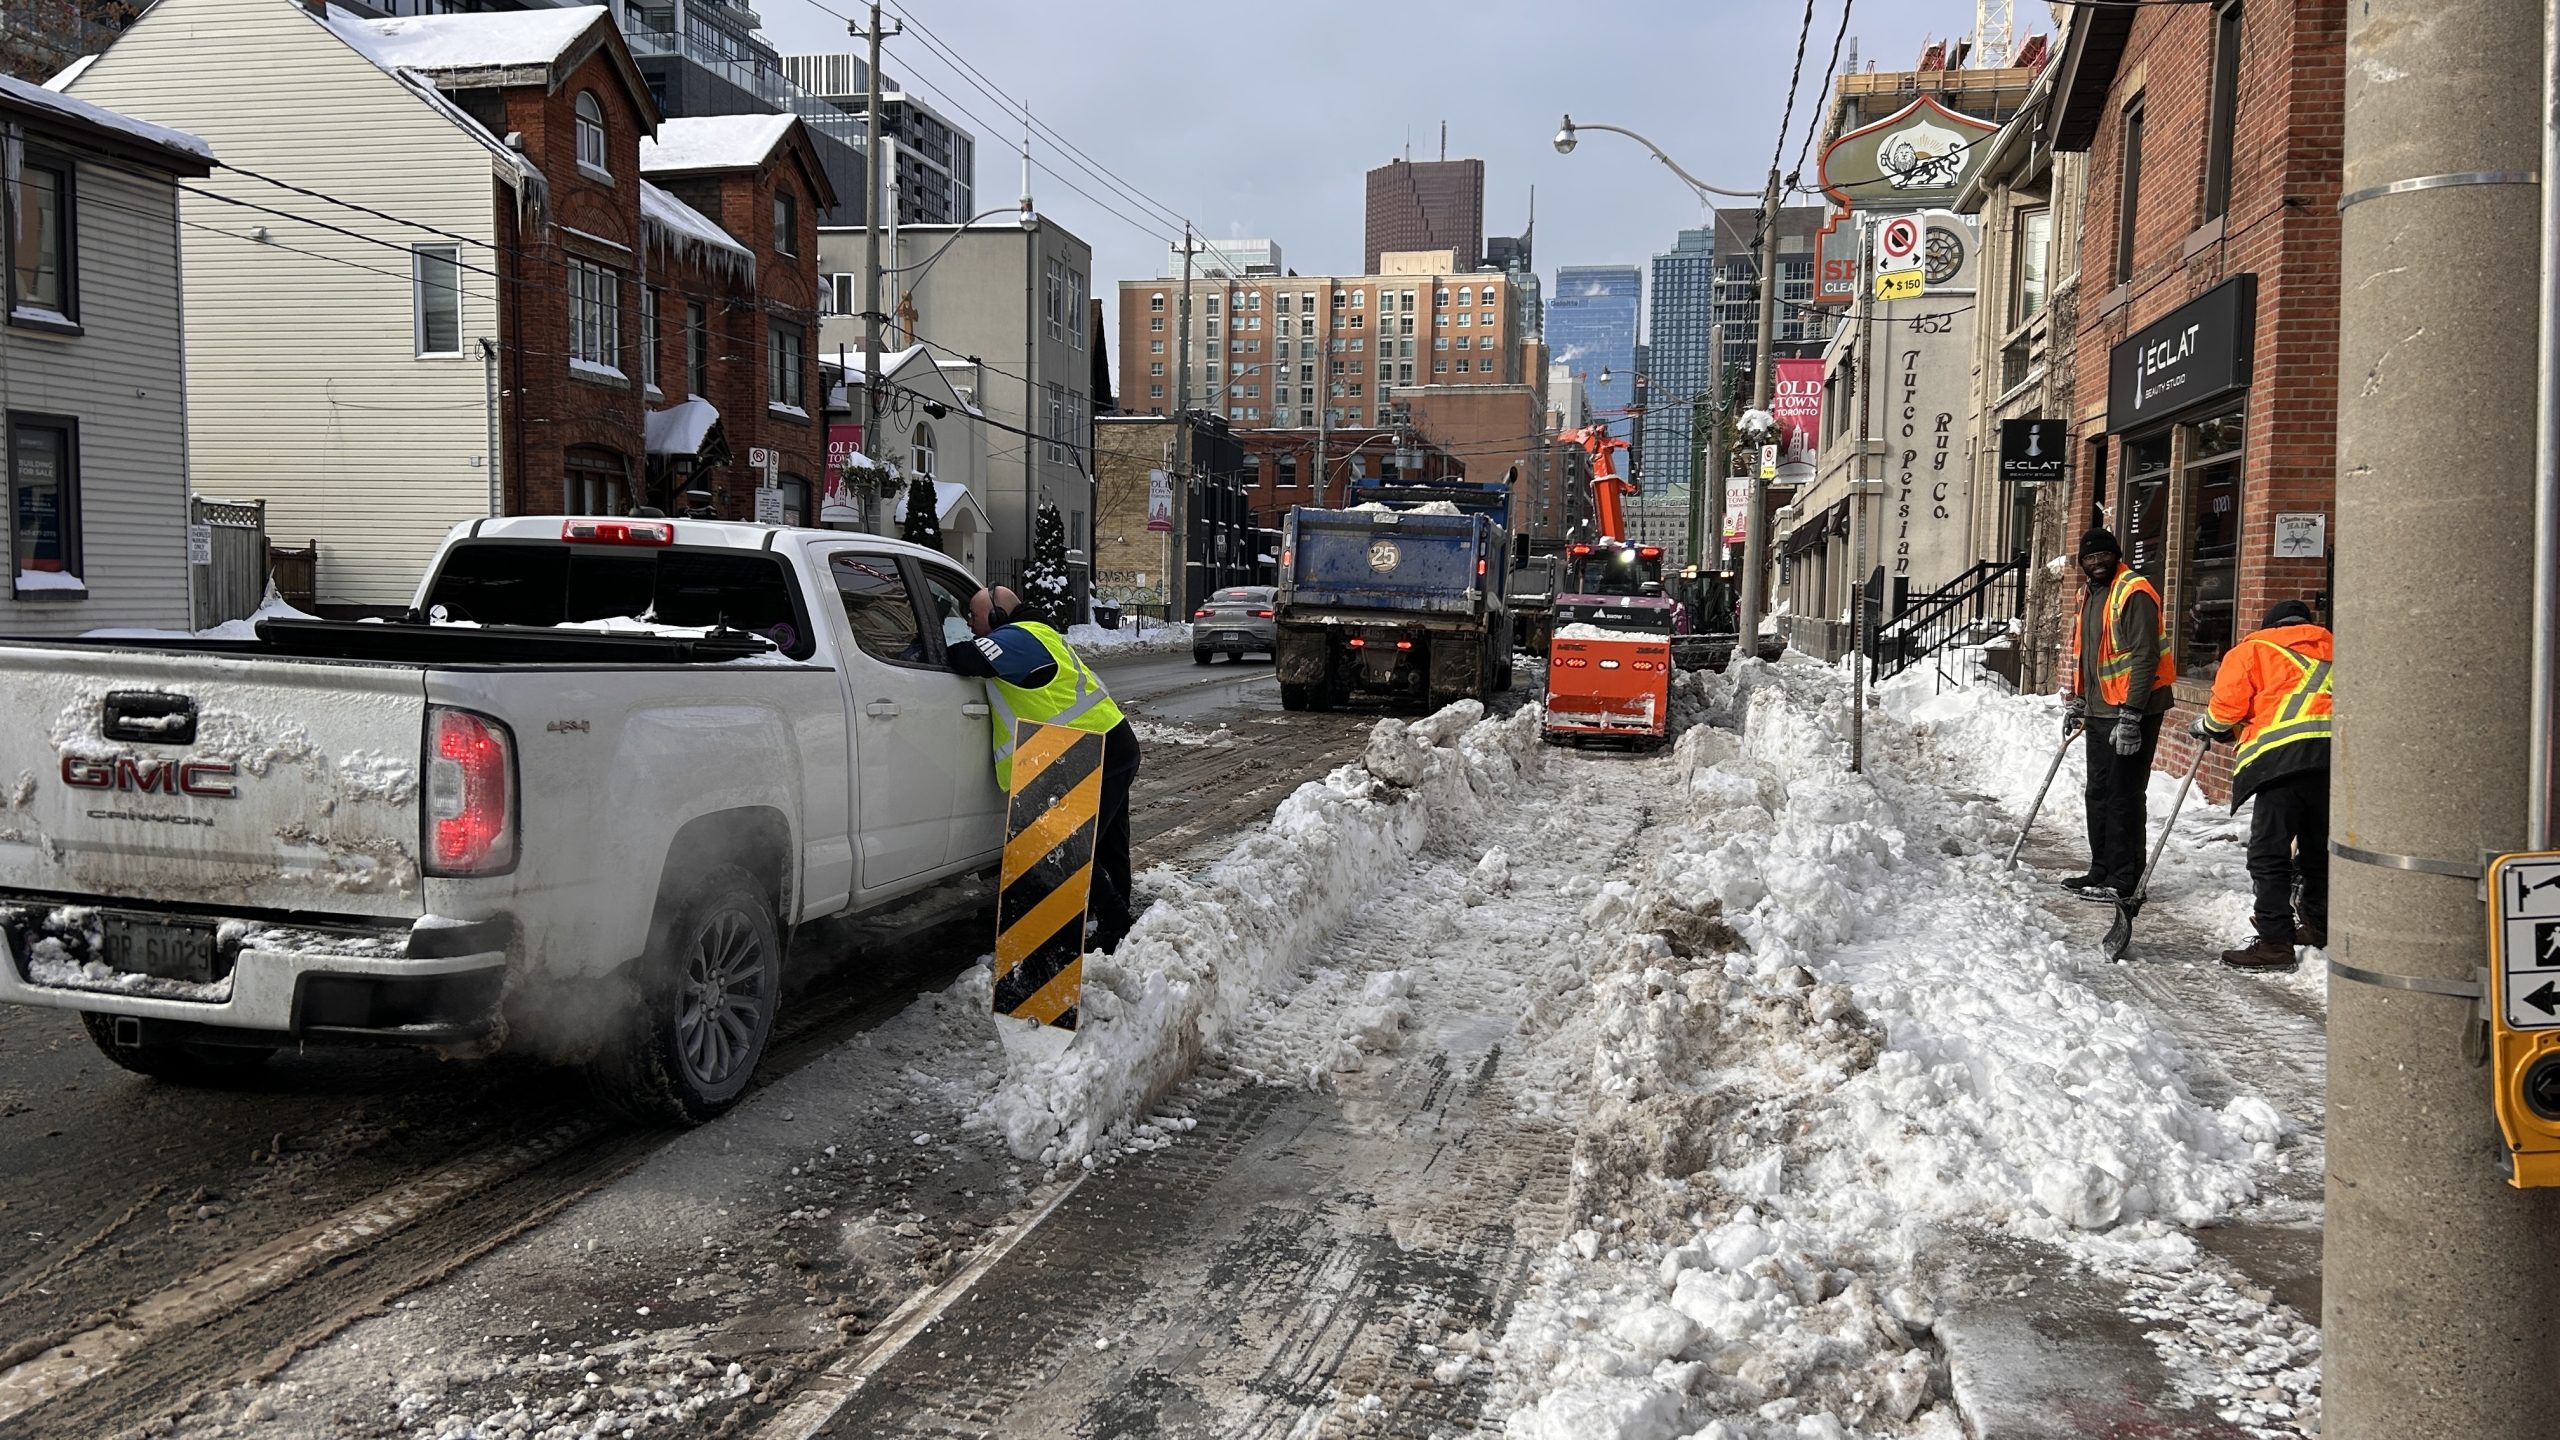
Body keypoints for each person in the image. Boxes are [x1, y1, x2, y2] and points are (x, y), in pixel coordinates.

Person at [946, 585, 1143, 949]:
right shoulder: (1038, 634)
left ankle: (1117, 923)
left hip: (1092, 750)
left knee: (1067, 848)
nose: (969, 625)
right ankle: (1119, 927)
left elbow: (964, 659)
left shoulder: (1017, 639)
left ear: (996, 616)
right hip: (1110, 741)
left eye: (972, 617)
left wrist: (949, 641)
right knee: (1110, 843)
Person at [2192, 599, 2333, 971]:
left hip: (2280, 763)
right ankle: (2319, 925)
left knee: (2270, 854)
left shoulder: (2251, 650)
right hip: (2334, 762)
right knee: (2318, 849)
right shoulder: (2338, 649)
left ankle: (2274, 942)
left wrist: (2205, 727)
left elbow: (2225, 712)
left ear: (2271, 625)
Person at [2059, 527, 2176, 909]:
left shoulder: (2134, 591)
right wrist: (2079, 701)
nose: (2096, 564)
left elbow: (2145, 657)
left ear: (2116, 555)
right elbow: (2087, 655)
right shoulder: (2087, 596)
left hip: (2132, 710)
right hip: (2098, 709)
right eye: (2089, 559)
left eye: (2102, 556)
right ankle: (2100, 868)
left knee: (2123, 794)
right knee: (2098, 792)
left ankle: (2124, 878)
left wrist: (2132, 714)